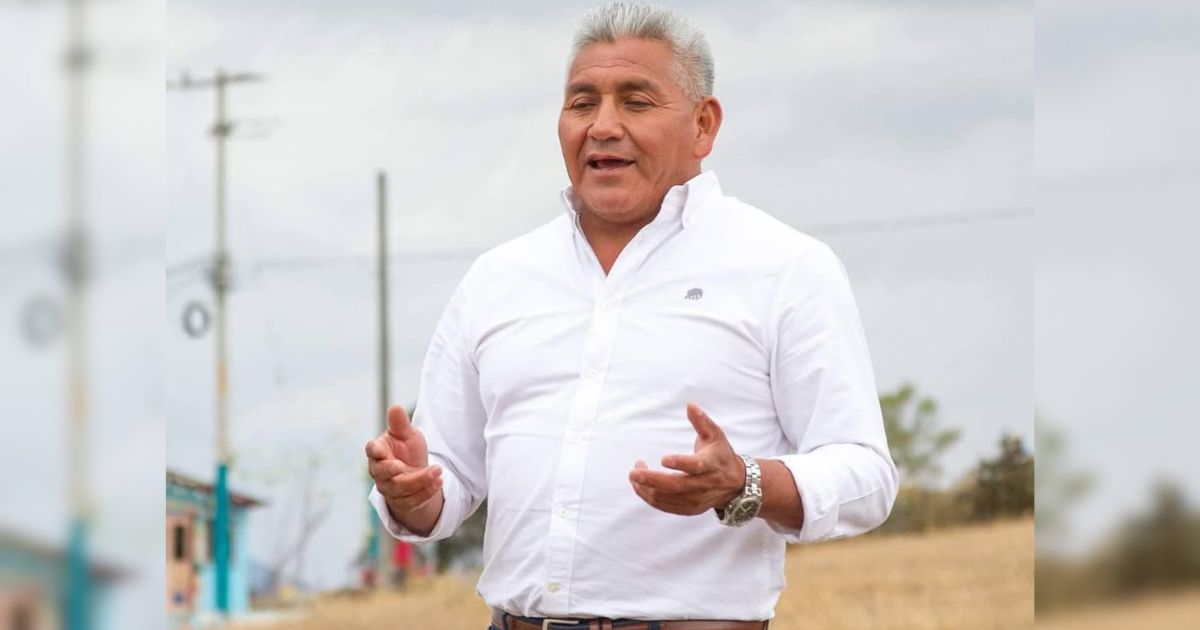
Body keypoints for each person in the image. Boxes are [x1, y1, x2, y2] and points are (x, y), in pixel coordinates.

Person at [364, 3, 898, 628]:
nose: (603, 126)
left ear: (703, 124)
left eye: (636, 102)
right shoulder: (498, 278)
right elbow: (446, 483)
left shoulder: (784, 268)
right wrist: (412, 490)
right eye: (582, 103)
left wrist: (744, 481)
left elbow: (865, 475)